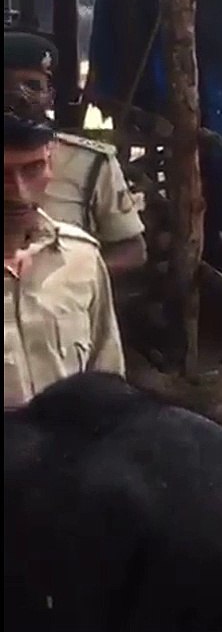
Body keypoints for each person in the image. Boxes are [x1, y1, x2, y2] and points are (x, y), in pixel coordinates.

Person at [4, 113, 126, 409]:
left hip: (70, 453)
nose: (19, 192)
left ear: (51, 161)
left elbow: (106, 378)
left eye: (33, 169)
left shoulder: (80, 257)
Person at [3, 31, 147, 278]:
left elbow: (132, 249)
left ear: (50, 96)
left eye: (32, 86)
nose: (18, 96)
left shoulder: (88, 164)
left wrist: (69, 276)